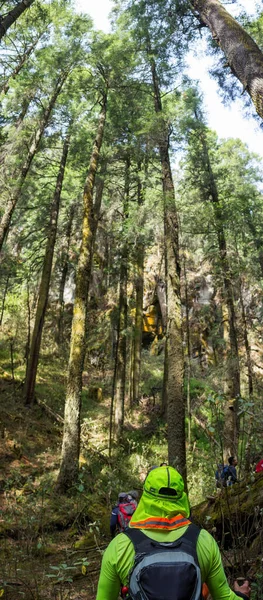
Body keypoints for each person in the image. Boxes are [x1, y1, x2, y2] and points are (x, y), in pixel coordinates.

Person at [97, 466, 251, 600]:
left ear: (145, 496)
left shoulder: (120, 545)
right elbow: (224, 597)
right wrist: (242, 595)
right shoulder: (203, 540)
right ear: (182, 497)